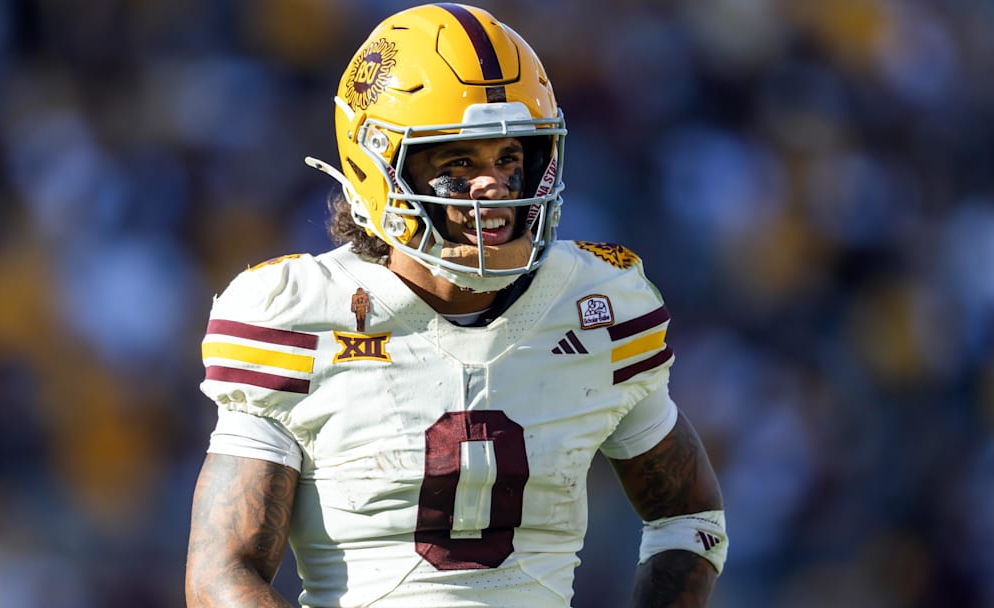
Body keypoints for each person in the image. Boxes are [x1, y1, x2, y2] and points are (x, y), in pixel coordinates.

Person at [184, 4, 727, 607]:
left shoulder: (596, 306)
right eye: (458, 162)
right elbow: (222, 575)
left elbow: (686, 516)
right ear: (377, 166)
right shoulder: (301, 316)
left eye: (510, 159)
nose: (492, 186)